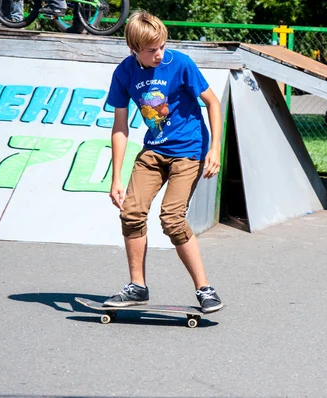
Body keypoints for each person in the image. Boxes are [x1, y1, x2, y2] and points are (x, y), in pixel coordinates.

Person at [102, 10, 224, 313]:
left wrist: (215, 150)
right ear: (134, 50)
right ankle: (137, 287)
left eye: (161, 46)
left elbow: (212, 102)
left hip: (189, 150)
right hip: (154, 151)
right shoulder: (125, 72)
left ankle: (205, 289)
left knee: (171, 218)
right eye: (151, 50)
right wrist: (116, 178)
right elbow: (120, 127)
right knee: (131, 212)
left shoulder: (180, 63)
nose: (159, 54)